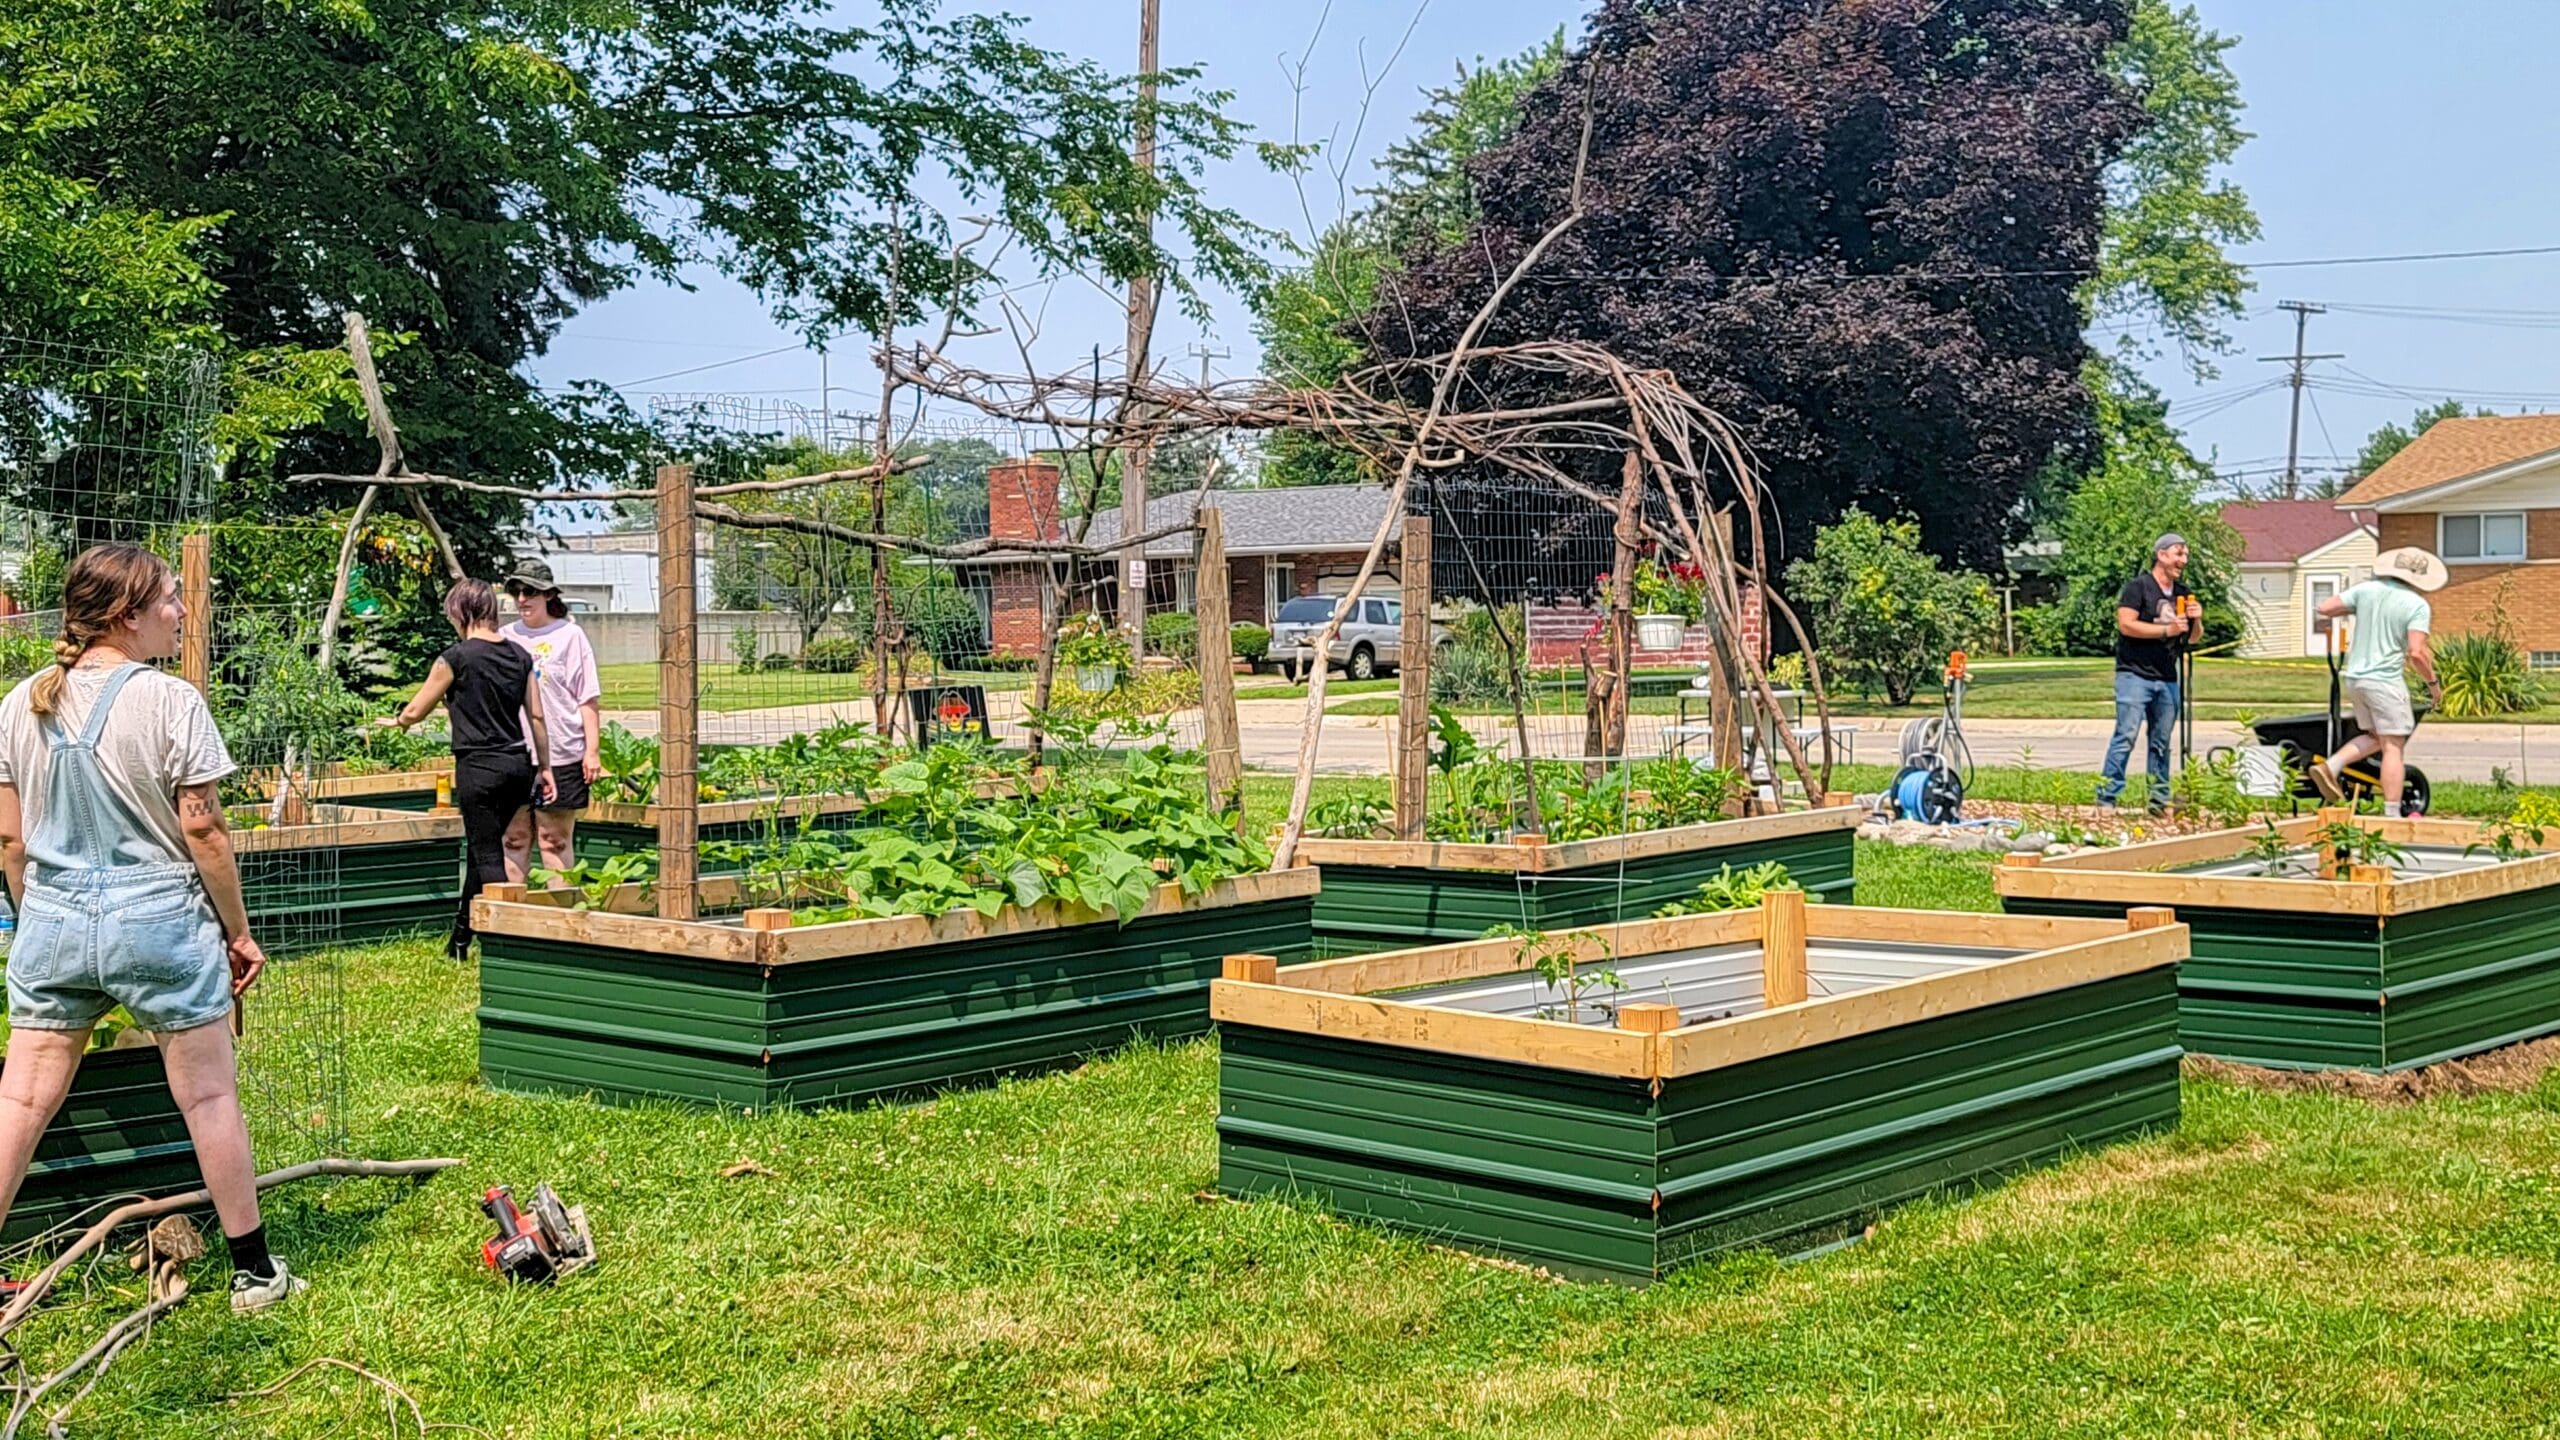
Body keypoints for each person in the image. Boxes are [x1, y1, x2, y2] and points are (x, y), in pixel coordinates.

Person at [0, 544, 299, 1311]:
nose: (181, 609)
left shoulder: (17, 703)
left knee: (19, 1104)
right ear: (126, 614)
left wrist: (38, 919)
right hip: (159, 920)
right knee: (209, 1098)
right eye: (169, 597)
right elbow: (204, 830)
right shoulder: (171, 701)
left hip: (50, 919)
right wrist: (238, 931)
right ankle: (254, 1272)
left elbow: (10, 841)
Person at [380, 580, 554, 960]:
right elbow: (538, 717)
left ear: (462, 613)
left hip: (479, 768)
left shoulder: (455, 658)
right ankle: (459, 940)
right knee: (481, 851)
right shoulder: (521, 656)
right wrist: (546, 767)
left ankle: (508, 947)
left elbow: (416, 708)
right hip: (517, 766)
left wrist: (399, 721)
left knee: (489, 858)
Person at [2309, 546, 2444, 816]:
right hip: (2385, 681)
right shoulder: (2417, 605)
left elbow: (2325, 607)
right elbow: (2417, 653)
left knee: (2374, 736)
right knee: (2393, 745)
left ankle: (2331, 766)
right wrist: (2433, 684)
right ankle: (2392, 815)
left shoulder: (2366, 590)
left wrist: (2357, 608)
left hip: (2356, 678)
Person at [498, 559, 601, 886]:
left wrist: (592, 751)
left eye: (530, 591)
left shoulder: (570, 636)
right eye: (516, 591)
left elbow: (587, 698)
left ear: (548, 595)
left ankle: (560, 910)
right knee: (514, 837)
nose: (522, 599)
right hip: (516, 753)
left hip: (562, 752)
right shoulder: (505, 637)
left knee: (553, 838)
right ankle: (514, 910)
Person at [2097, 533, 2199, 814]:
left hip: (2167, 677)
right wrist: (2167, 630)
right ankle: (2107, 798)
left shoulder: (2183, 592)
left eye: (2186, 555)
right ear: (2161, 555)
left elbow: (2192, 638)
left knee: (2161, 742)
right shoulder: (2138, 587)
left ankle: (2158, 800)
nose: (2183, 560)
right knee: (2126, 735)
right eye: (2179, 553)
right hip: (2134, 674)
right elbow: (2126, 625)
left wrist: (2197, 618)